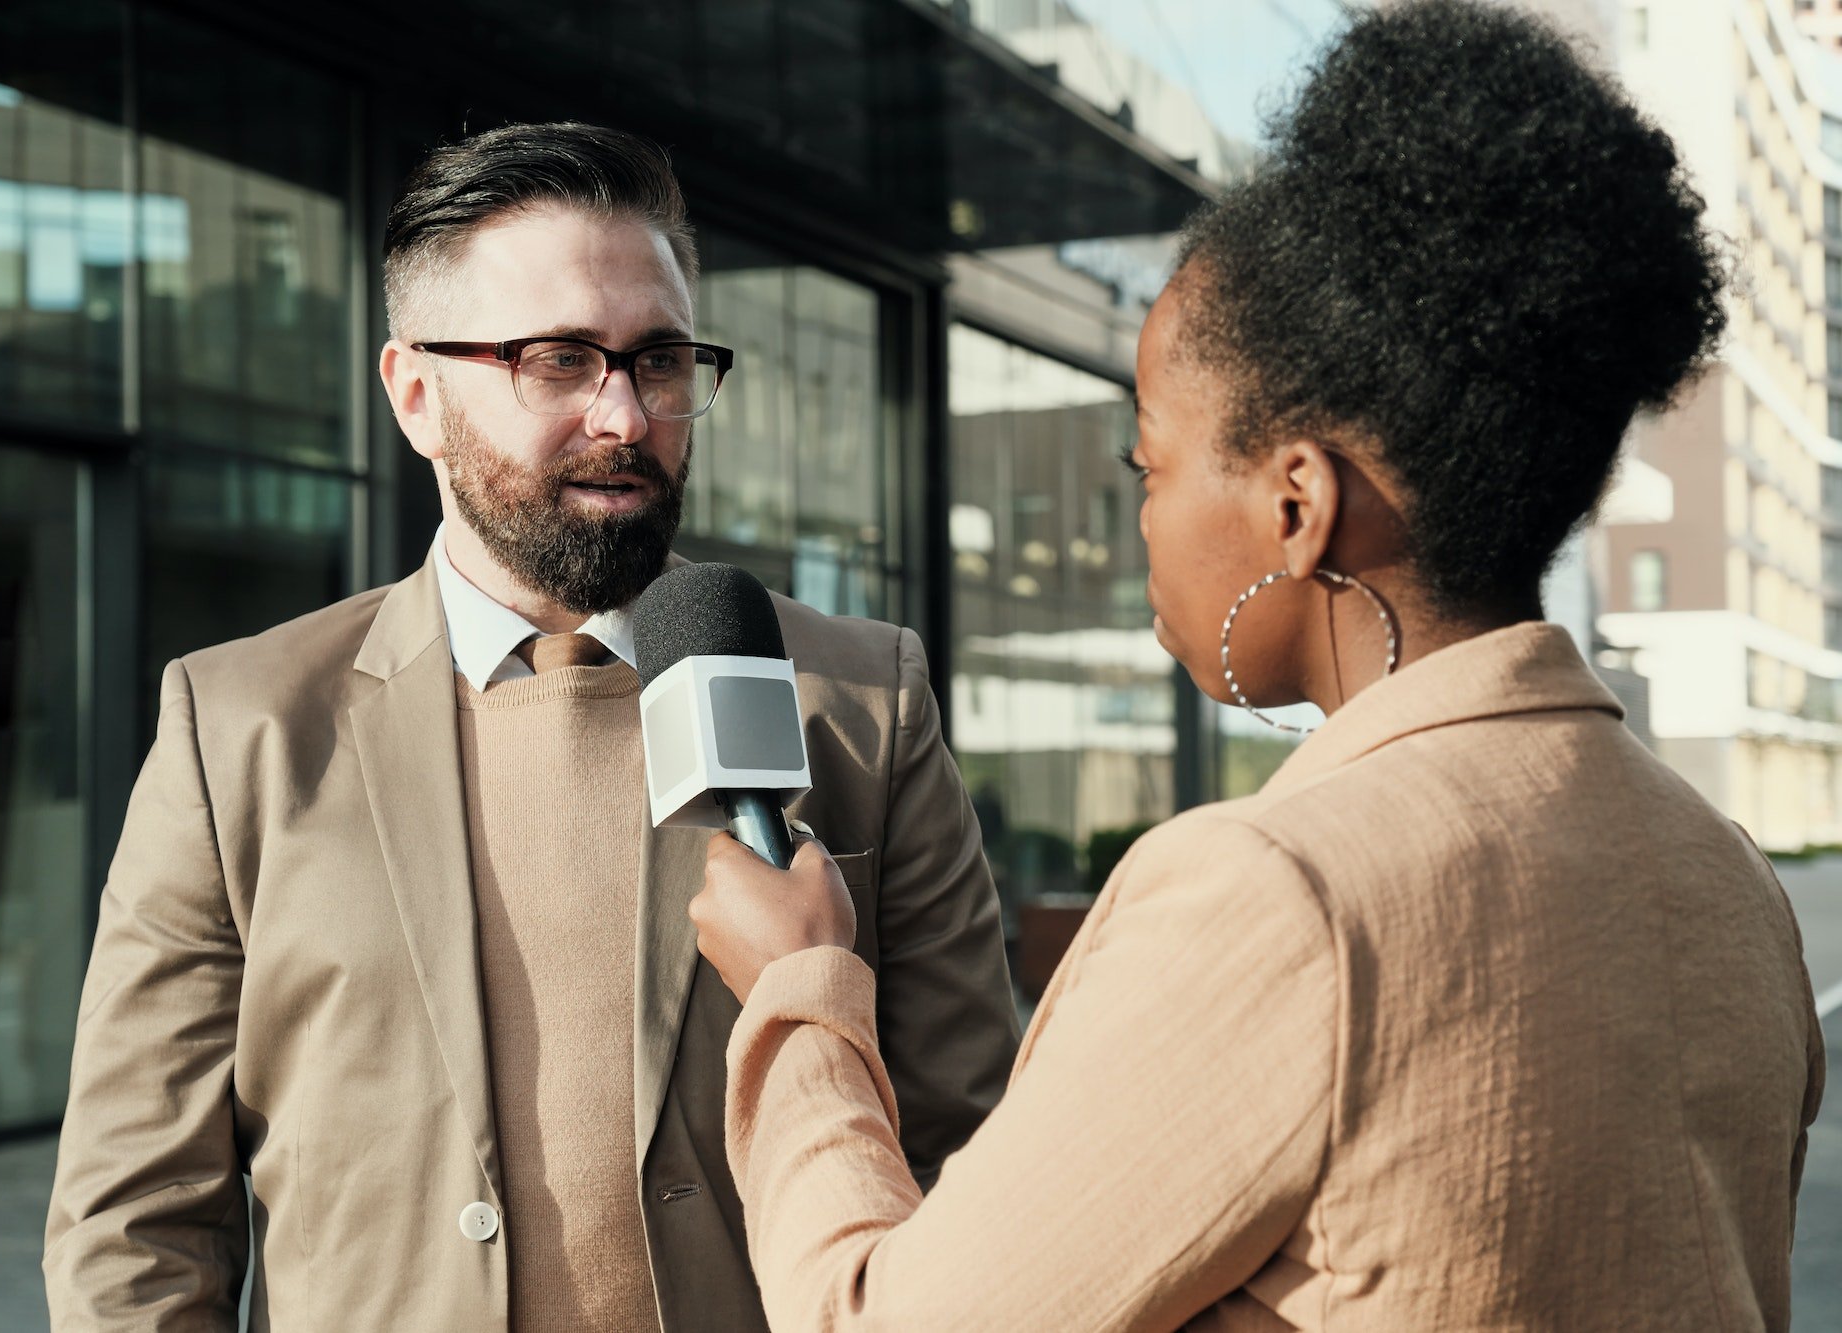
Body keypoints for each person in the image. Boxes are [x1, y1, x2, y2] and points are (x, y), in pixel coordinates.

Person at [688, 4, 1825, 1328]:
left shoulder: (1280, 897)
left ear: (1298, 506)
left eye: (1150, 464)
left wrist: (801, 999)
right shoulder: (1727, 873)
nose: (1143, 520)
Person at [42, 123, 1020, 1332]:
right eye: (558, 359)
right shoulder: (238, 726)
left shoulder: (862, 700)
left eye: (659, 360)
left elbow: (974, 1154)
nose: (624, 413)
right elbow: (134, 1225)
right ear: (415, 394)